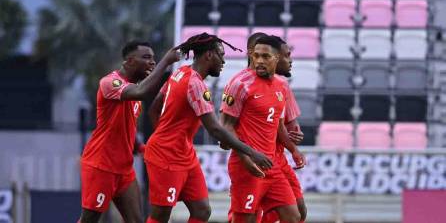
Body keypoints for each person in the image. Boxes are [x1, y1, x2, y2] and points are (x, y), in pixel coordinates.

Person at [144, 33, 273, 223]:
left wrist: (169, 136)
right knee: (161, 215)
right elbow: (214, 128)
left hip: (183, 154)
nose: (223, 61)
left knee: (202, 210)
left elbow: (154, 107)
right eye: (221, 55)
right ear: (209, 55)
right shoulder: (195, 84)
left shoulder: (180, 73)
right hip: (166, 156)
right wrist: (252, 152)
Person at [79, 40, 180, 223]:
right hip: (101, 166)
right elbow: (141, 91)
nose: (152, 62)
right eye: (146, 57)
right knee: (90, 220)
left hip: (124, 169)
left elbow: (127, 129)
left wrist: (142, 148)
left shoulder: (133, 93)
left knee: (135, 221)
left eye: (154, 58)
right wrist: (167, 61)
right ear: (129, 61)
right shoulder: (110, 83)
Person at [225, 33, 306, 223]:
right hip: (248, 165)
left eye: (266, 56)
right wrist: (246, 159)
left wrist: (293, 149)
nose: (259, 61)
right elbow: (226, 127)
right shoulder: (240, 85)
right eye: (256, 56)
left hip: (272, 164)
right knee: (246, 219)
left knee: (294, 216)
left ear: (276, 59)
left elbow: (277, 124)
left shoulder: (281, 86)